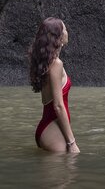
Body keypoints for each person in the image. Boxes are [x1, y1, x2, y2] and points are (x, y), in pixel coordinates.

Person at [29, 17, 80, 153]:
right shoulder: (56, 64)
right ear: (57, 37)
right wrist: (71, 142)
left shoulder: (47, 63)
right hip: (52, 130)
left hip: (48, 128)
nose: (67, 31)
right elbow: (58, 106)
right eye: (64, 29)